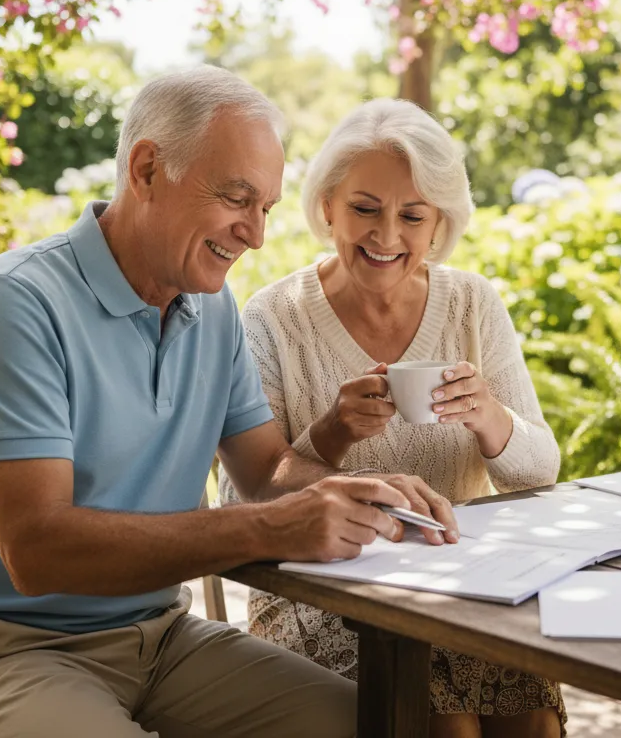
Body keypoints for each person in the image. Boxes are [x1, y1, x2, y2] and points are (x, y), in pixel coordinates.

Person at [0, 67, 459, 738]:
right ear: (147, 169)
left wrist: (359, 492)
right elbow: (37, 548)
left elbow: (266, 473)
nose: (256, 234)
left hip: (157, 637)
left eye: (266, 208)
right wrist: (271, 528)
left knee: (382, 725)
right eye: (237, 197)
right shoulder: (15, 304)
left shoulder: (210, 305)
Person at [220, 98, 565, 738]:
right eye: (364, 209)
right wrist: (332, 432)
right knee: (445, 724)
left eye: (412, 216)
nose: (386, 237)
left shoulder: (471, 304)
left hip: (462, 583)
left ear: (438, 224)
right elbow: (244, 491)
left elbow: (540, 471)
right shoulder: (272, 320)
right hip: (320, 589)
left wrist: (491, 418)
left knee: (532, 717)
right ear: (327, 207)